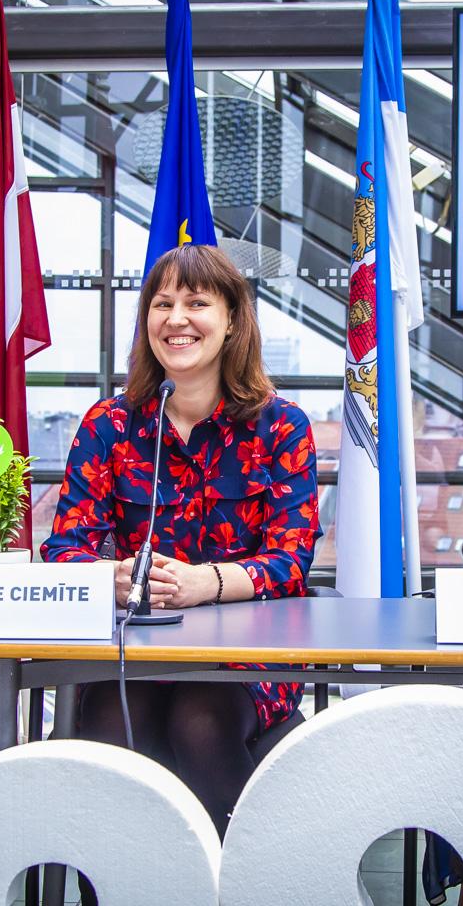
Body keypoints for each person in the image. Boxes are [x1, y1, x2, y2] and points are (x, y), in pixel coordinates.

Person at [42, 244, 319, 841]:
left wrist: (205, 584)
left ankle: (245, 879)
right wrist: (109, 575)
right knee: (116, 729)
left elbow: (292, 560)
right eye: (162, 303)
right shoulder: (108, 426)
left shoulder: (281, 425)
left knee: (200, 720)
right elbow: (65, 547)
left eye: (196, 303)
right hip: (132, 657)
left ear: (232, 321)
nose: (176, 318)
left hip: (243, 662)